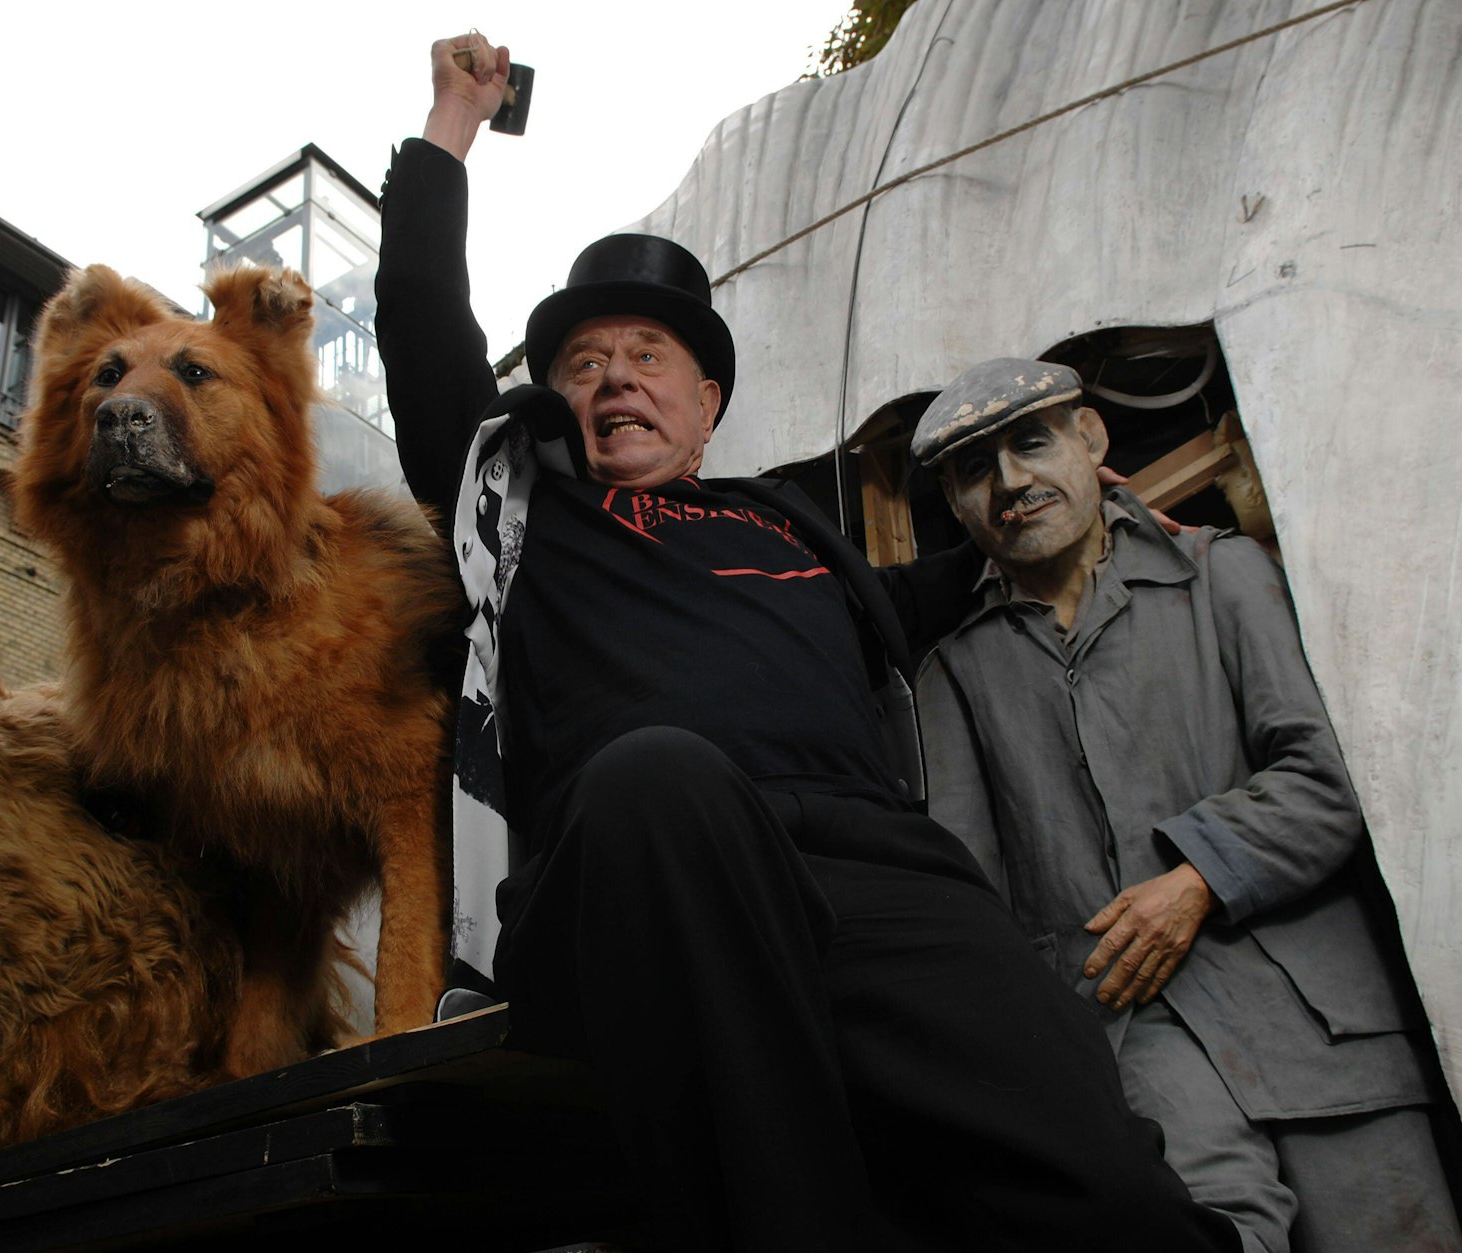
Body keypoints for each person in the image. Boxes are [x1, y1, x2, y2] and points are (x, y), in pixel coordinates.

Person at [371, 33, 1239, 1252]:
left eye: (646, 356)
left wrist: (1123, 491)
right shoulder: (525, 513)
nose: (615, 377)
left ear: (706, 404)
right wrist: (451, 121)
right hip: (636, 868)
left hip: (866, 862)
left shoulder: (788, 530)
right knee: (655, 777)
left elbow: (993, 550)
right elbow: (418, 323)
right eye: (584, 363)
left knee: (1107, 1187)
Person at [912, 358, 1462, 1253]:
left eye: (1032, 442)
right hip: (1134, 1046)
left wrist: (1199, 876)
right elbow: (971, 912)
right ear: (957, 504)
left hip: (1320, 1018)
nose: (1010, 481)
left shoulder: (1222, 575)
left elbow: (1327, 780)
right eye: (975, 469)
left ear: (1091, 440)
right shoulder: (957, 672)